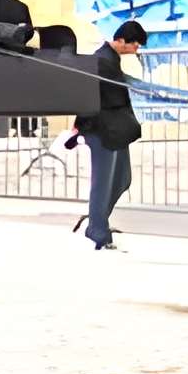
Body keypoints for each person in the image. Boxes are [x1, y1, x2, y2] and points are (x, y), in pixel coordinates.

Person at [71, 17, 148, 249]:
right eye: (135, 44)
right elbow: (91, 96)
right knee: (102, 185)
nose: (137, 48)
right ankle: (98, 230)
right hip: (103, 131)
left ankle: (97, 220)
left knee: (123, 179)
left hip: (115, 131)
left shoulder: (110, 59)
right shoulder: (102, 60)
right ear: (122, 40)